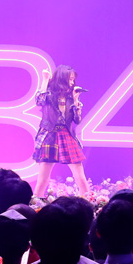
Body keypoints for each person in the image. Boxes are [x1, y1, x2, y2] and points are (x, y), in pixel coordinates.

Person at [33, 65, 90, 197]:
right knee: (43, 178)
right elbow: (39, 100)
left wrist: (76, 101)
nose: (72, 82)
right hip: (49, 133)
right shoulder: (49, 93)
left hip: (66, 134)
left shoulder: (71, 96)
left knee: (80, 177)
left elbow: (77, 120)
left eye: (73, 79)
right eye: (70, 79)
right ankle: (37, 203)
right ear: (62, 79)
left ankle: (89, 202)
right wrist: (45, 79)